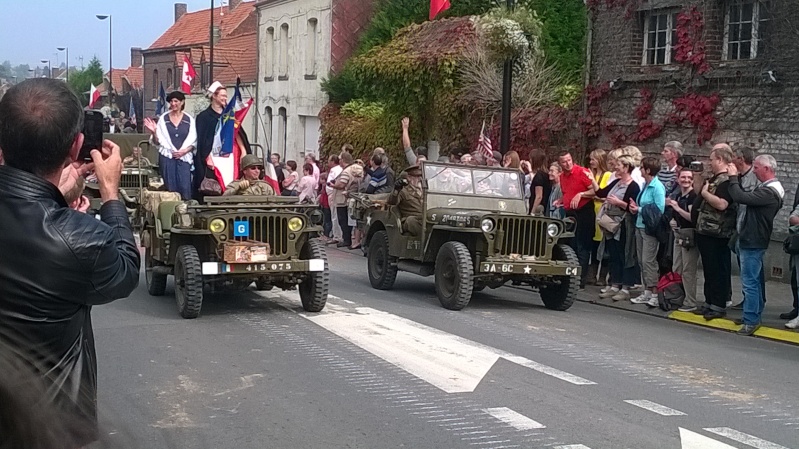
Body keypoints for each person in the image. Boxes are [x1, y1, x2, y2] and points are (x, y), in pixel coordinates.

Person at [0, 78, 140, 448]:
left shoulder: (68, 232)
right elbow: (125, 270)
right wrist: (110, 194)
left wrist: (53, 199)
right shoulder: (80, 239)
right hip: (46, 426)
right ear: (77, 144)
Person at [727, 154, 784, 335]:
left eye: (757, 167)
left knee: (750, 282)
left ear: (767, 169)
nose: (755, 171)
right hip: (751, 238)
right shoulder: (766, 188)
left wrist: (733, 177)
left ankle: (751, 320)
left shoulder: (770, 192)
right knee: (755, 281)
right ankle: (751, 315)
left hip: (753, 240)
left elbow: (740, 196)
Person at [694, 144, 737, 320]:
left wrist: (705, 194)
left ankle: (718, 305)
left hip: (717, 232)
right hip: (706, 231)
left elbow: (722, 204)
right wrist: (697, 176)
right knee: (709, 269)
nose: (709, 163)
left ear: (720, 159)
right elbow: (698, 192)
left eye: (711, 159)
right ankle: (709, 302)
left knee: (717, 269)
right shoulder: (714, 178)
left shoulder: (726, 181)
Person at [596, 155, 641, 302]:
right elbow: (600, 193)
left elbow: (631, 207)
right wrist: (590, 178)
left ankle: (625, 287)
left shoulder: (633, 186)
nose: (616, 168)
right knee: (613, 254)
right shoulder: (616, 181)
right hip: (610, 223)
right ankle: (615, 284)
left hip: (623, 224)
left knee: (625, 254)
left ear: (627, 168)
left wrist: (618, 202)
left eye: (619, 165)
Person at [555, 151, 595, 289]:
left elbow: (594, 191)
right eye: (564, 162)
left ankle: (580, 280)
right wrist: (561, 200)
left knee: (582, 246)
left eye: (569, 160)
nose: (568, 164)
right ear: (560, 164)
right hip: (570, 212)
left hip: (584, 211)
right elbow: (567, 192)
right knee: (571, 244)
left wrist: (581, 194)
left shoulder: (582, 172)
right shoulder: (562, 177)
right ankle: (570, 278)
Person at [629, 156, 666, 307]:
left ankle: (655, 293)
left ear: (648, 170)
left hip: (650, 229)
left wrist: (639, 209)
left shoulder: (657, 187)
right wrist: (635, 208)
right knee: (641, 261)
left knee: (648, 261)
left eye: (642, 167)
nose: (640, 170)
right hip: (640, 225)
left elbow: (660, 209)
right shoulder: (646, 184)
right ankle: (647, 291)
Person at [731, 147, 762, 310]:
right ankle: (747, 300)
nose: (732, 161)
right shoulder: (740, 177)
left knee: (753, 273)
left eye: (734, 157)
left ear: (741, 159)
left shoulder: (754, 178)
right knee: (745, 271)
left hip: (751, 231)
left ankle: (757, 304)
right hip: (739, 227)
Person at [666, 169, 699, 311]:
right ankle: (678, 297)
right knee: (677, 267)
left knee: (688, 269)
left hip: (689, 235)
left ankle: (690, 301)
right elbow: (675, 215)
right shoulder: (679, 195)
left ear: (692, 180)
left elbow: (692, 218)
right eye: (683, 177)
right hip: (678, 233)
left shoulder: (693, 197)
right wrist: (673, 220)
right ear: (678, 179)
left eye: (689, 178)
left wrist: (677, 208)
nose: (686, 180)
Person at [154, 90, 196, 200]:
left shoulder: (189, 120)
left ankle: (185, 210)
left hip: (184, 157)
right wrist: (154, 131)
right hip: (168, 157)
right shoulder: (163, 119)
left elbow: (194, 140)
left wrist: (184, 151)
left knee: (185, 186)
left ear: (182, 102)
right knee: (170, 187)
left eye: (176, 101)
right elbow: (157, 141)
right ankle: (170, 212)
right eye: (171, 101)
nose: (173, 104)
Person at [193, 81, 228, 201]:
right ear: (214, 96)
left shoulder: (228, 116)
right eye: (222, 95)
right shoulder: (203, 117)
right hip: (210, 160)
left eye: (226, 96)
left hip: (227, 159)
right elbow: (201, 140)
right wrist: (207, 157)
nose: (225, 98)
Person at [588, 149, 612, 286]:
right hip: (592, 212)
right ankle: (592, 273)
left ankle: (603, 276)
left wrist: (595, 196)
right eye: (591, 159)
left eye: (594, 159)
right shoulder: (591, 174)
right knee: (594, 244)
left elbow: (604, 194)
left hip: (602, 212)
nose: (591, 162)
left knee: (604, 245)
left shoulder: (607, 175)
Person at [331, 151, 359, 248]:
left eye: (340, 160)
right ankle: (349, 239)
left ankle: (346, 240)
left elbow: (342, 184)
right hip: (351, 198)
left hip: (342, 199)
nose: (339, 162)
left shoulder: (346, 171)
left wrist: (333, 185)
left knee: (343, 220)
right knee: (350, 221)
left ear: (343, 160)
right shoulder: (357, 168)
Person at [389, 165, 424, 236]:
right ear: (409, 178)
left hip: (425, 218)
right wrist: (396, 190)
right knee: (411, 221)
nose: (419, 179)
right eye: (416, 176)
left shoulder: (425, 191)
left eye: (421, 176)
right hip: (411, 219)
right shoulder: (403, 191)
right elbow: (392, 202)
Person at [326, 153, 344, 245]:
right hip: (334, 194)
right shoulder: (339, 169)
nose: (328, 162)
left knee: (335, 216)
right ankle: (337, 235)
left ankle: (337, 236)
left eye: (329, 160)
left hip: (333, 194)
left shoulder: (334, 170)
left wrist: (330, 191)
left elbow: (332, 182)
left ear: (333, 162)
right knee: (336, 215)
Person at [528, 148, 551, 215]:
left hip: (538, 211)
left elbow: (539, 196)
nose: (530, 161)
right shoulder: (546, 174)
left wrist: (532, 212)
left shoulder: (539, 176)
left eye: (531, 159)